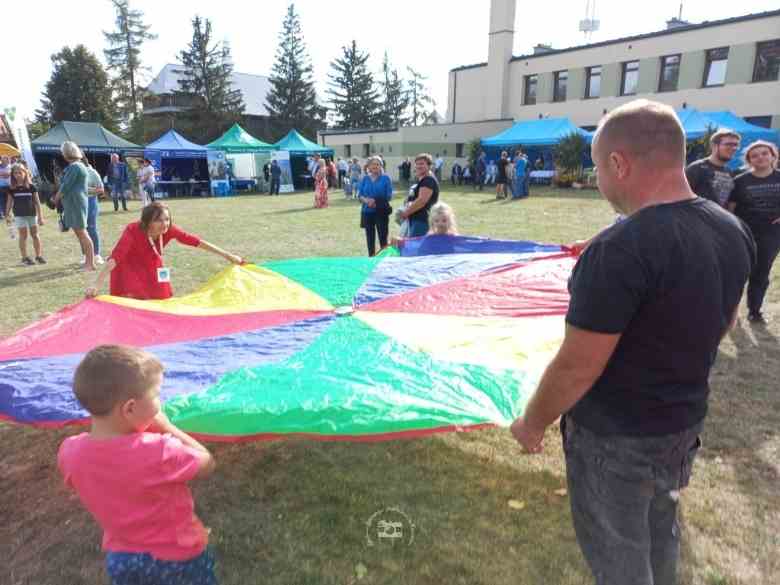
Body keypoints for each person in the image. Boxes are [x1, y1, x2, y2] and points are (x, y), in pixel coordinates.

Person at [510, 99, 754, 585]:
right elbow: (723, 324)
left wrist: (533, 422)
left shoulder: (619, 252)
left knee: (620, 562)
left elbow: (578, 367)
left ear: (618, 164)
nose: (599, 180)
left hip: (614, 438)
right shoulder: (732, 230)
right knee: (661, 540)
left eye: (598, 167)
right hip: (681, 423)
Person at [58, 345, 218, 585]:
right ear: (130, 408)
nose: (160, 404)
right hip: (178, 557)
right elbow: (207, 462)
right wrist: (167, 427)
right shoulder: (160, 450)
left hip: (121, 558)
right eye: (156, 396)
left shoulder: (70, 452)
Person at [86, 202, 244, 300]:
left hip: (153, 265)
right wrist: (96, 284)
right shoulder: (133, 230)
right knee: (134, 305)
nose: (164, 224)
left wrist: (228, 256)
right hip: (129, 269)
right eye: (158, 220)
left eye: (167, 219)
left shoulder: (169, 230)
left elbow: (195, 241)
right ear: (147, 222)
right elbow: (116, 257)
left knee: (163, 299)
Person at [728, 140, 780, 325]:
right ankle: (730, 309)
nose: (760, 157)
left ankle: (754, 311)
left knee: (761, 273)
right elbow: (730, 209)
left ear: (773, 155)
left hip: (771, 235)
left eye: (764, 153)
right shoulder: (740, 180)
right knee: (738, 272)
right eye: (755, 155)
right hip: (744, 233)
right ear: (749, 160)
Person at [53, 141, 96, 271]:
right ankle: (89, 262)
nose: (62, 154)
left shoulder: (75, 167)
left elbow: (65, 186)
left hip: (76, 203)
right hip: (74, 203)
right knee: (81, 233)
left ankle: (90, 264)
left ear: (67, 153)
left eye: (63, 152)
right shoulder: (78, 166)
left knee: (82, 233)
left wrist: (56, 198)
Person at [685, 129, 741, 207]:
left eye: (736, 145)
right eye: (729, 144)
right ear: (714, 145)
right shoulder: (697, 168)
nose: (734, 148)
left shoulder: (729, 172)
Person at [4, 163, 45, 265]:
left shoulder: (31, 187)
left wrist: (40, 217)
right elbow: (9, 202)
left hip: (32, 214)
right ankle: (24, 257)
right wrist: (7, 214)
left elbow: (37, 202)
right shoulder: (11, 188)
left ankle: (38, 256)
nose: (17, 175)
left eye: (20, 172)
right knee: (23, 236)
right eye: (15, 173)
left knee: (35, 235)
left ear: (25, 173)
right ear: (12, 175)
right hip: (19, 215)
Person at [358, 155, 393, 256]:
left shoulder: (386, 178)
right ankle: (371, 258)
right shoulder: (365, 179)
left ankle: (383, 260)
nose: (375, 166)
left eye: (378, 164)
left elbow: (389, 196)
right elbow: (359, 195)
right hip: (367, 212)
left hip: (381, 212)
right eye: (373, 164)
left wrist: (375, 201)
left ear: (381, 166)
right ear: (368, 166)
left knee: (383, 237)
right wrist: (366, 200)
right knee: (370, 238)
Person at [400, 153, 439, 237]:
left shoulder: (428, 180)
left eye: (422, 164)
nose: (418, 166)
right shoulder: (423, 180)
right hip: (416, 220)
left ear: (429, 166)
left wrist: (406, 212)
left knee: (416, 248)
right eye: (417, 164)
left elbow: (422, 201)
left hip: (422, 221)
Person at [84, 159, 105, 265]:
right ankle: (86, 255)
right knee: (82, 230)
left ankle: (96, 255)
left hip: (91, 201)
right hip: (79, 202)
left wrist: (86, 190)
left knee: (91, 228)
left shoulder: (92, 172)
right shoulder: (73, 171)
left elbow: (101, 190)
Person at [0, 155, 11, 219]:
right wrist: (5, 174)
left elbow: (9, 174)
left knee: (8, 200)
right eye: (3, 159)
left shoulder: (10, 167)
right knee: (1, 201)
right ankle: (2, 214)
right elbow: (7, 175)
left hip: (9, 186)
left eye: (6, 159)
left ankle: (7, 213)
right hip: (1, 186)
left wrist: (3, 174)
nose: (4, 161)